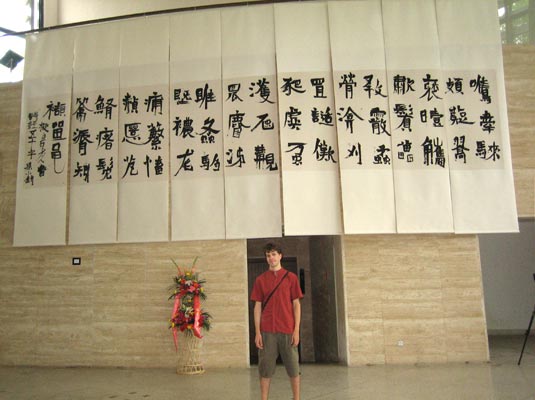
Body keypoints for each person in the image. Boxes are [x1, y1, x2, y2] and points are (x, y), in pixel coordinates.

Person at [251, 242, 304, 400]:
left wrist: (296, 330)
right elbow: (257, 307)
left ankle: (296, 398)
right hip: (267, 331)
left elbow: (296, 305)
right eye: (268, 255)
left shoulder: (291, 278)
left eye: (274, 254)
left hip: (287, 329)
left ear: (280, 256)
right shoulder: (260, 280)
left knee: (293, 367)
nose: (271, 258)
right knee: (265, 368)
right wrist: (257, 332)